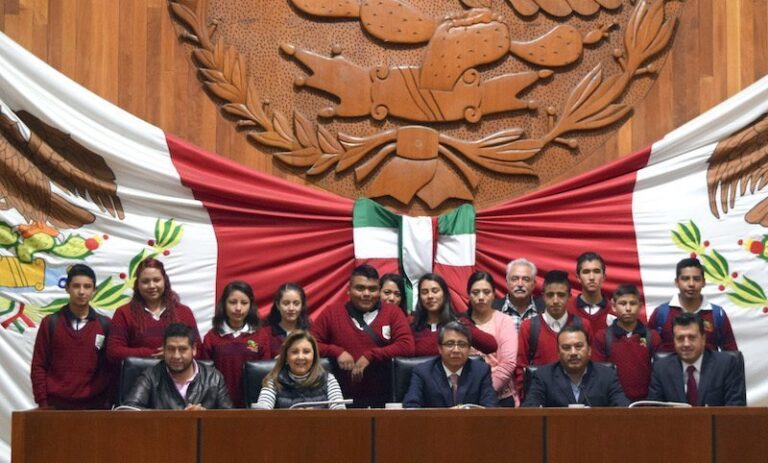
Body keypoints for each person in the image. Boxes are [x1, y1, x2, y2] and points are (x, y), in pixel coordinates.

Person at [311, 264, 415, 407]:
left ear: (378, 290)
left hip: (385, 397)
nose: (366, 294)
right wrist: (336, 352)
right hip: (341, 399)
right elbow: (310, 344)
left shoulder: (393, 312)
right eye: (360, 288)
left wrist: (371, 355)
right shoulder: (331, 313)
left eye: (372, 289)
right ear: (348, 290)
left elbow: (407, 346)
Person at [30, 264, 114, 409]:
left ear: (94, 290)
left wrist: (108, 401)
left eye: (87, 286)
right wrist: (43, 403)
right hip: (56, 406)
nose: (81, 292)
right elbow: (39, 365)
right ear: (67, 288)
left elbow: (112, 367)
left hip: (95, 407)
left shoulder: (105, 324)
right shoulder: (50, 323)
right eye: (76, 286)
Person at [516, 270, 592, 400]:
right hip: (541, 397)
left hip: (578, 397)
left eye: (561, 295)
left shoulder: (583, 325)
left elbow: (591, 364)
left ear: (569, 297)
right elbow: (520, 369)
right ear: (543, 296)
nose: (555, 300)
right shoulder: (529, 327)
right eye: (550, 295)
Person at [107, 258, 201, 362]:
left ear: (165, 281)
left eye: (156, 280)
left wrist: (174, 353)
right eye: (145, 281)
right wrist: (151, 354)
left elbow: (199, 350)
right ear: (137, 285)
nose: (152, 286)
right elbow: (113, 352)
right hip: (139, 376)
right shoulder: (124, 313)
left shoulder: (183, 312)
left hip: (177, 376)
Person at [124, 323, 232, 409]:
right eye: (171, 349)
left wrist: (205, 417)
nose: (176, 356)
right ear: (164, 350)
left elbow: (229, 419)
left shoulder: (214, 378)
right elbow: (129, 410)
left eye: (182, 349)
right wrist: (176, 418)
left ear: (193, 349)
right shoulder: (151, 376)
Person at [647, 313, 746, 406]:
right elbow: (654, 412)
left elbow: (735, 409)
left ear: (703, 339)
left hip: (715, 424)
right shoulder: (661, 369)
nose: (686, 344)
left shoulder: (726, 365)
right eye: (680, 338)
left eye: (692, 337)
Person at [522, 325, 630, 407]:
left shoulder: (607, 376)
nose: (573, 352)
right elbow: (529, 412)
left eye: (578, 346)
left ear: (589, 351)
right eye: (566, 347)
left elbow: (623, 410)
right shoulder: (543, 377)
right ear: (558, 353)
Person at [202, 281, 271, 408]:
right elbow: (205, 376)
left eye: (244, 303)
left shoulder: (261, 336)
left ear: (251, 306)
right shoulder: (212, 337)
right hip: (219, 405)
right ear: (224, 304)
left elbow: (265, 374)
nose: (238, 308)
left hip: (253, 405)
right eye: (233, 302)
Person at [648, 258, 738, 352]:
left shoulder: (717, 315)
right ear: (676, 282)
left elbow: (732, 354)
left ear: (703, 282)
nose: (691, 284)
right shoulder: (661, 314)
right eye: (685, 279)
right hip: (668, 367)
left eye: (696, 279)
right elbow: (646, 351)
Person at [403, 322, 497, 408]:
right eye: (450, 344)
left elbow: (490, 407)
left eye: (462, 344)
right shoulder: (423, 372)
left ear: (469, 349)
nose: (456, 350)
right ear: (440, 348)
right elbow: (411, 406)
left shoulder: (481, 371)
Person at [592, 284, 661, 402]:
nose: (628, 308)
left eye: (633, 304)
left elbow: (659, 375)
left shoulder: (652, 337)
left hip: (646, 404)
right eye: (623, 303)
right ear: (613, 306)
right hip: (612, 405)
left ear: (640, 306)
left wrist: (651, 403)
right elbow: (598, 377)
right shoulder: (602, 337)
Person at [411, 273, 497, 357]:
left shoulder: (459, 322)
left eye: (435, 291)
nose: (430, 296)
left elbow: (491, 346)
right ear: (419, 297)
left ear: (444, 294)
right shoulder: (412, 326)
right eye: (424, 292)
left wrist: (464, 328)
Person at [253, 331, 346, 409]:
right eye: (294, 352)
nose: (300, 357)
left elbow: (340, 415)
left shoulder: (328, 379)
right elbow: (262, 414)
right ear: (286, 357)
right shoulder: (273, 381)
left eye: (306, 352)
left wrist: (316, 416)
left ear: (314, 356)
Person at [466, 271, 519, 407]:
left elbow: (508, 364)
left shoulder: (504, 321)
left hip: (500, 398)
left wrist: (484, 391)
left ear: (494, 294)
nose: (481, 297)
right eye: (475, 292)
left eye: (486, 292)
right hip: (464, 395)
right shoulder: (461, 323)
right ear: (468, 294)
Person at [492, 258, 544, 332]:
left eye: (526, 279)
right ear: (507, 283)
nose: (520, 284)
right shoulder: (492, 308)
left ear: (533, 284)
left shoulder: (545, 308)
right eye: (515, 279)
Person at [569, 252, 614, 333]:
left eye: (596, 271)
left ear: (604, 277)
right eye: (586, 272)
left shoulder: (615, 311)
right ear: (578, 278)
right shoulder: (567, 310)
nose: (592, 277)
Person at [264, 283, 311, 356]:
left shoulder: (310, 332)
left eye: (296, 303)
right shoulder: (265, 334)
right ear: (278, 305)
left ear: (302, 305)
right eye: (286, 303)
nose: (291, 308)